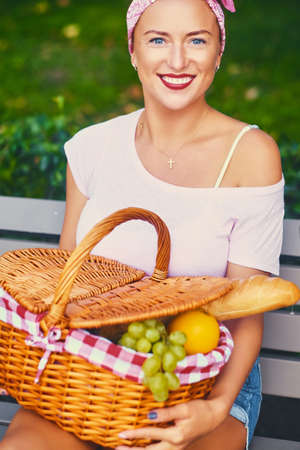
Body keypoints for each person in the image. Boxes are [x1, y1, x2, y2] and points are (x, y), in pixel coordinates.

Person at [0, 0, 284, 449]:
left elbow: (246, 313)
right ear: (133, 50)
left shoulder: (251, 156)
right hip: (87, 377)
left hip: (205, 383)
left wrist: (215, 408)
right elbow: (66, 285)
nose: (176, 61)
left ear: (218, 52)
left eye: (196, 40)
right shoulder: (92, 149)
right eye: (157, 40)